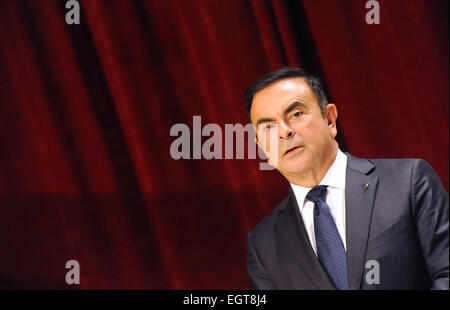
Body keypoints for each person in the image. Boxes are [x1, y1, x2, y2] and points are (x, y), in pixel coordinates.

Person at [245, 67, 449, 290]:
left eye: (296, 114)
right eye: (268, 127)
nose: (284, 132)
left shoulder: (408, 181)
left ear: (330, 119)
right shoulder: (263, 246)